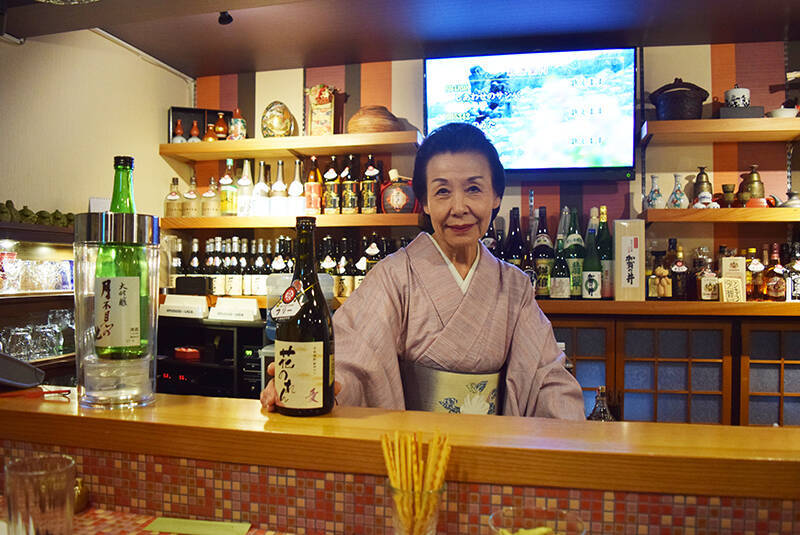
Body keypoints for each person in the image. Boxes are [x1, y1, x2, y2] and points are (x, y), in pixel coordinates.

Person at [262, 122, 584, 419]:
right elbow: (352, 356)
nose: (459, 207)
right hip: (412, 454)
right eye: (442, 191)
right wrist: (310, 378)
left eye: (473, 189)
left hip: (490, 451)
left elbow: (545, 375)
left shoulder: (514, 287)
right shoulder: (395, 276)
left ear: (495, 196)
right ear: (426, 203)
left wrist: (571, 428)